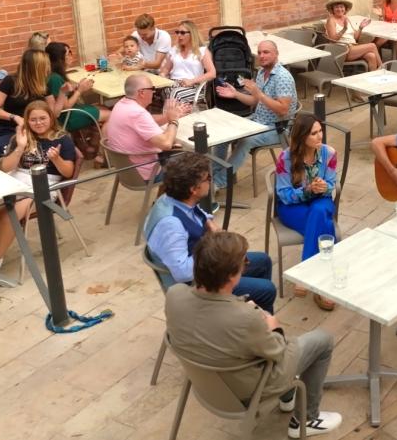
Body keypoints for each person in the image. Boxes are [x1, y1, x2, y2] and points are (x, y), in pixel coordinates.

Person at [164, 231, 341, 438]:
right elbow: (277, 351)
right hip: (247, 392)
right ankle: (307, 419)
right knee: (321, 339)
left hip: (204, 384)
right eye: (244, 263)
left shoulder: (174, 294)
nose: (246, 265)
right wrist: (273, 326)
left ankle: (288, 398)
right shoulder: (245, 318)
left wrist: (243, 310)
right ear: (232, 275)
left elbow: (209, 318)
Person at [145, 152, 277, 312]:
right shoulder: (171, 225)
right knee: (267, 290)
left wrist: (209, 223)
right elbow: (182, 273)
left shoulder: (175, 198)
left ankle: (246, 314)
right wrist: (214, 252)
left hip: (206, 268)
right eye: (207, 179)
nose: (210, 181)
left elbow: (197, 212)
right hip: (196, 287)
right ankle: (252, 324)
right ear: (194, 189)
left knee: (263, 261)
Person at [0, 100, 77, 281]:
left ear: (51, 118)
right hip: (15, 181)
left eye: (43, 118)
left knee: (8, 215)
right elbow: (5, 167)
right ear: (27, 120)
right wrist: (19, 147)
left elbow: (68, 172)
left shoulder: (62, 139)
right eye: (33, 119)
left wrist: (57, 160)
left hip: (45, 185)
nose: (39, 123)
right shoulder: (20, 137)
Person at [212, 40, 299, 190]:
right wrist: (235, 94)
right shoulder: (261, 72)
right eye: (259, 53)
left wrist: (260, 94)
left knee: (246, 140)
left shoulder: (282, 77)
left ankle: (218, 183)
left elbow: (283, 110)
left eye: (266, 52)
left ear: (276, 54)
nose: (262, 56)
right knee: (223, 135)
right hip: (257, 122)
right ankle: (212, 176)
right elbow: (254, 100)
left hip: (278, 128)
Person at [274, 114, 339, 311]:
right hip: (293, 207)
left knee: (319, 211)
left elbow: (331, 184)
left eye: (320, 131)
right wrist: (307, 190)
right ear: (302, 136)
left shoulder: (330, 153)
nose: (320, 136)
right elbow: (283, 194)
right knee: (325, 228)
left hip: (321, 202)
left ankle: (305, 274)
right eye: (314, 133)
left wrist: (322, 187)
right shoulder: (285, 157)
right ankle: (322, 288)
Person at [103, 74, 189, 182]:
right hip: (146, 173)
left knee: (177, 147)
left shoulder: (121, 104)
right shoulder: (138, 113)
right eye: (152, 89)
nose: (154, 92)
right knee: (193, 162)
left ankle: (164, 197)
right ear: (142, 92)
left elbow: (148, 120)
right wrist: (173, 120)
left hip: (126, 171)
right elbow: (166, 143)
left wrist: (167, 116)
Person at [44, 42, 109, 131]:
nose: (71, 55)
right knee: (111, 115)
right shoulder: (55, 78)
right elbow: (66, 106)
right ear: (60, 59)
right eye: (68, 53)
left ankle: (92, 138)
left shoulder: (55, 75)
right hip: (67, 117)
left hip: (72, 111)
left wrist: (78, 86)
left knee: (103, 107)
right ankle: (99, 141)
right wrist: (80, 90)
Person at [160, 20, 216, 108]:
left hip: (194, 85)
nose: (179, 35)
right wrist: (162, 75)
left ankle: (170, 118)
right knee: (161, 90)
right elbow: (166, 69)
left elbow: (212, 73)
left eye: (182, 33)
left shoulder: (201, 51)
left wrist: (192, 81)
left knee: (175, 93)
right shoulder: (174, 50)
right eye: (177, 32)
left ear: (192, 34)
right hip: (174, 83)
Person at [324, 0, 381, 71]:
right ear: (332, 9)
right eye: (336, 7)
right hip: (342, 50)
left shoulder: (346, 18)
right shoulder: (331, 20)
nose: (339, 9)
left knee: (371, 56)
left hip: (352, 47)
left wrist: (360, 27)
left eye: (341, 7)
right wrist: (344, 29)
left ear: (345, 9)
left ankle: (372, 80)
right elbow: (332, 39)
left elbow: (355, 37)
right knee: (372, 45)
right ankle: (382, 68)